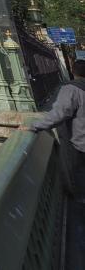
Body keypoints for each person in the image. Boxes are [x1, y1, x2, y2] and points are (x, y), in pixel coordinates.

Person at [27, 59, 85, 198]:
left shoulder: (71, 89)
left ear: (72, 70)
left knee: (80, 173)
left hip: (80, 143)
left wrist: (34, 126)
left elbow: (59, 114)